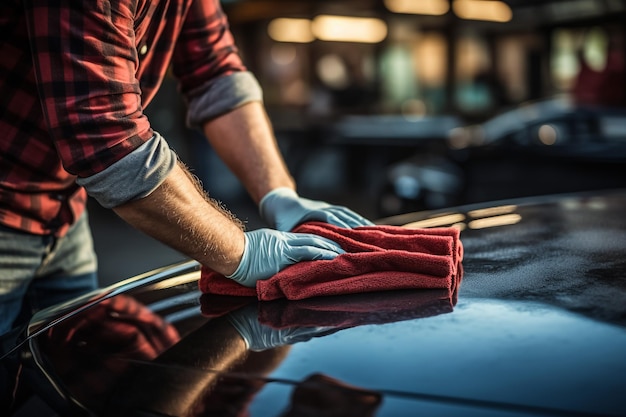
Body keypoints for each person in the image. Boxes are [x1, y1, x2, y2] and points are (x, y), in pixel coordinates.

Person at [0, 0, 373, 337]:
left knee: (77, 371)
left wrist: (280, 196)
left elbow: (217, 75)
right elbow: (106, 137)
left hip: (61, 213)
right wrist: (242, 253)